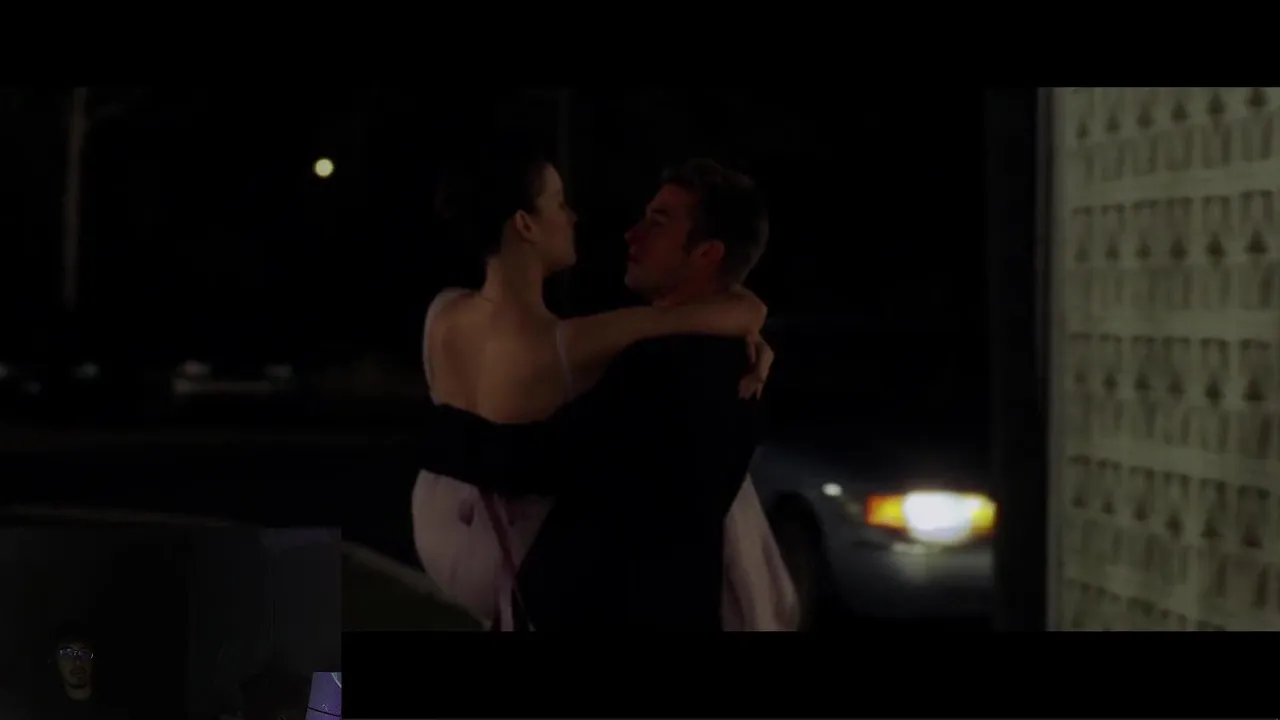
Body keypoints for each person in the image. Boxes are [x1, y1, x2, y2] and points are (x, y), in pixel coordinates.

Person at [418, 156, 795, 630]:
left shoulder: (671, 368)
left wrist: (430, 432)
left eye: (657, 223)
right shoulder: (685, 353)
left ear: (706, 253)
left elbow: (545, 458)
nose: (630, 235)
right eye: (560, 203)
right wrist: (748, 309)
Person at [42, 621, 127, 719]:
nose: (77, 661)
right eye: (67, 654)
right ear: (55, 660)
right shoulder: (44, 712)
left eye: (84, 653)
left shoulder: (116, 709)